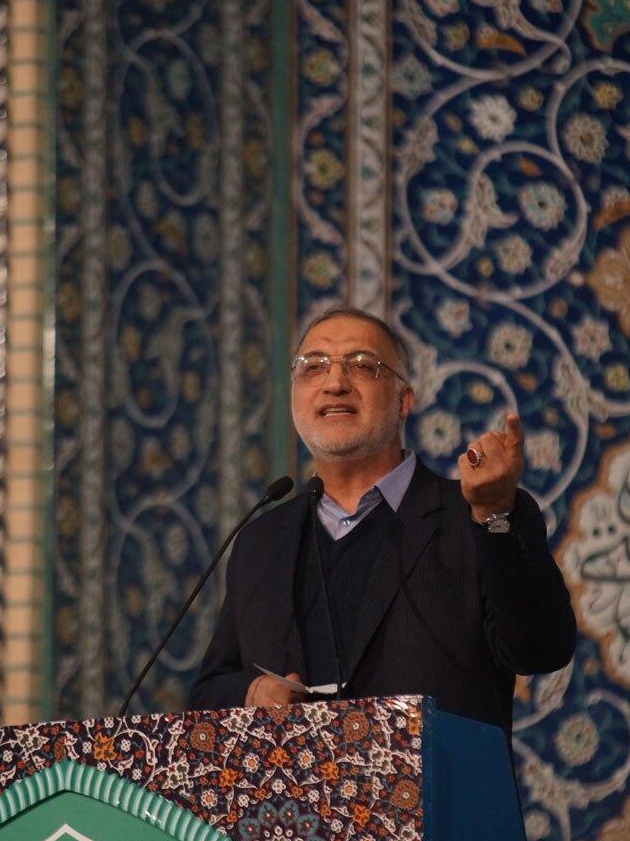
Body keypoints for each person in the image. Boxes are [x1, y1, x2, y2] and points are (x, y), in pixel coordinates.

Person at [189, 306, 575, 734]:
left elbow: (541, 650)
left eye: (362, 365)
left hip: (436, 778)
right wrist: (255, 692)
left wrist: (495, 515)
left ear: (403, 400)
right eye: (313, 367)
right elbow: (208, 692)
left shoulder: (475, 513)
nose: (334, 383)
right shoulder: (262, 541)